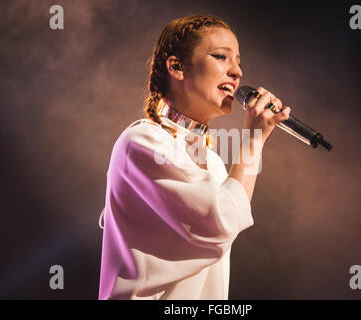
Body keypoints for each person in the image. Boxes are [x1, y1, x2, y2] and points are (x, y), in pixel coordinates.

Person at [98, 14, 291, 300]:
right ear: (176, 67)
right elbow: (221, 222)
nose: (237, 72)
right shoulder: (142, 141)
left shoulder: (211, 159)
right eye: (221, 57)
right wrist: (253, 141)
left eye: (239, 62)